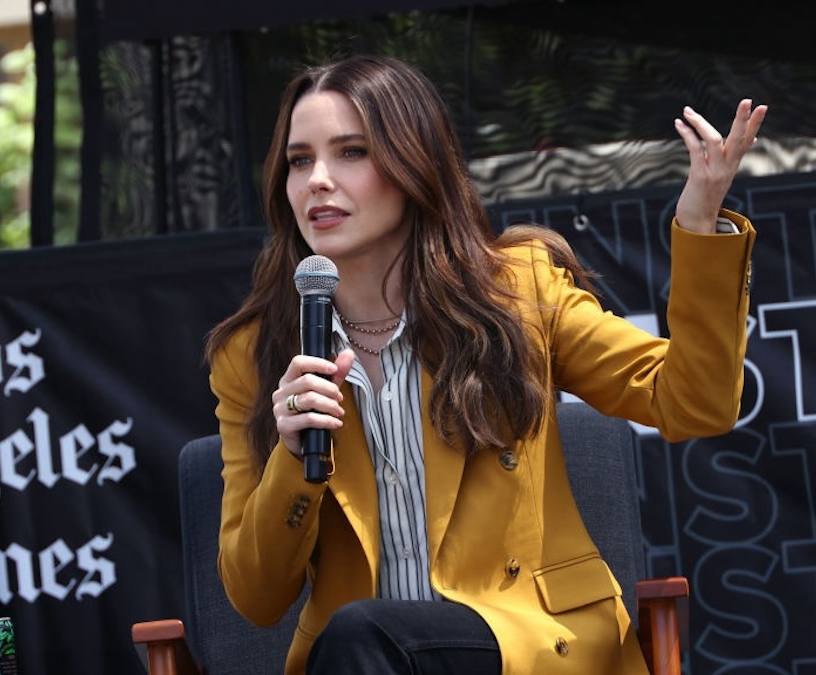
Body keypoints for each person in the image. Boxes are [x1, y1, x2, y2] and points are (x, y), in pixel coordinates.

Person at [205, 54, 766, 675]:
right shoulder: (255, 358)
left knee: (365, 633)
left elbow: (696, 402)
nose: (317, 180)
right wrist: (293, 453)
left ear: (414, 163)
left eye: (352, 153)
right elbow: (256, 600)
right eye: (299, 159)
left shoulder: (516, 293)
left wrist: (700, 221)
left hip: (526, 648)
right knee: (363, 635)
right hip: (362, 658)